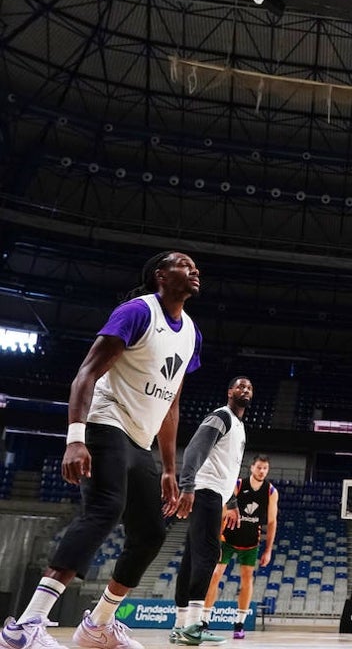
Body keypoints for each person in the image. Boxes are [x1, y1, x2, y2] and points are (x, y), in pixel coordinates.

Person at [1, 252, 202, 649]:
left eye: (195, 266)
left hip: (140, 440)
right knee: (105, 507)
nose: (194, 270)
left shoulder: (192, 332)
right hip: (105, 421)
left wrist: (167, 467)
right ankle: (25, 625)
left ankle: (98, 626)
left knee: (150, 533)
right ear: (160, 275)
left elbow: (171, 405)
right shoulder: (137, 311)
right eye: (183, 264)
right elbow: (86, 373)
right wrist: (75, 438)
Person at [170, 377, 252, 646]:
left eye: (249, 388)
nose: (245, 390)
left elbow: (229, 468)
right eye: (240, 386)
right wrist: (187, 485)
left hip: (215, 494)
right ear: (229, 392)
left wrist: (232, 503)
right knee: (209, 553)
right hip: (204, 490)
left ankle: (180, 625)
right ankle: (195, 624)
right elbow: (196, 447)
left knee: (192, 557)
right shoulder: (221, 416)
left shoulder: (239, 426)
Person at [203, 455, 279, 640]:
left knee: (247, 579)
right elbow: (223, 510)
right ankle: (203, 620)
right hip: (227, 538)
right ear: (252, 468)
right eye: (259, 467)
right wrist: (216, 537)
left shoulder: (270, 491)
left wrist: (268, 550)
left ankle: (239, 624)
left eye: (265, 468)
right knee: (215, 575)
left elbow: (271, 521)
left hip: (250, 542)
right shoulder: (237, 485)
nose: (262, 471)